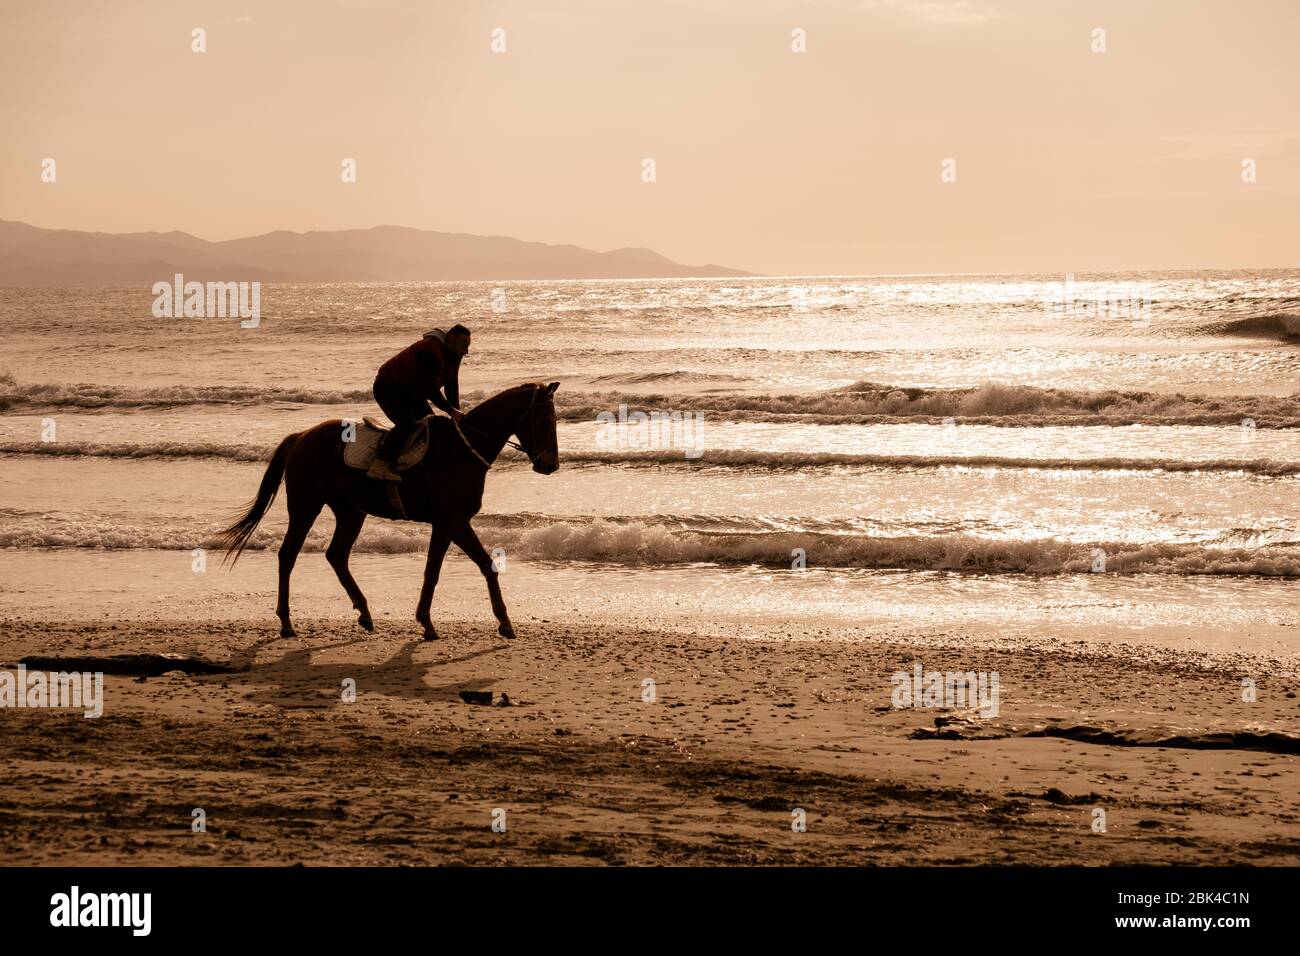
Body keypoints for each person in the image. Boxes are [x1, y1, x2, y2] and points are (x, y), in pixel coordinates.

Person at [367, 324, 471, 481]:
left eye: (468, 346)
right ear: (451, 339)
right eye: (464, 346)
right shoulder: (429, 350)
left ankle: (417, 464)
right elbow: (428, 389)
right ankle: (381, 463)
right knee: (407, 424)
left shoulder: (454, 354)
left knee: (432, 428)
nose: (466, 351)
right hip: (388, 388)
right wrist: (451, 411)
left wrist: (456, 413)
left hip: (412, 391)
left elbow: (451, 384)